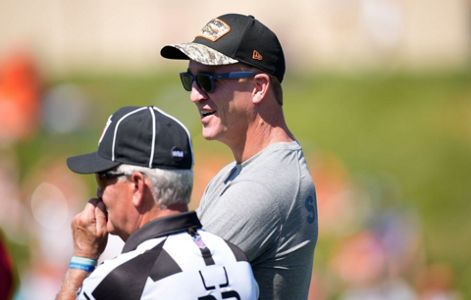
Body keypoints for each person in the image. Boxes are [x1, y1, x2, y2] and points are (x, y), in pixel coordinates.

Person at [161, 13, 318, 300]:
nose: (195, 95)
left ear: (258, 87)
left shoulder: (265, 186)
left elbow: (164, 284)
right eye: (190, 79)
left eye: (207, 81)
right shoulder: (243, 172)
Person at [56, 105, 259, 300]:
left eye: (103, 178)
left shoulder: (120, 280)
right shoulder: (235, 258)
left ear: (137, 186)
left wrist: (82, 259)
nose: (99, 193)